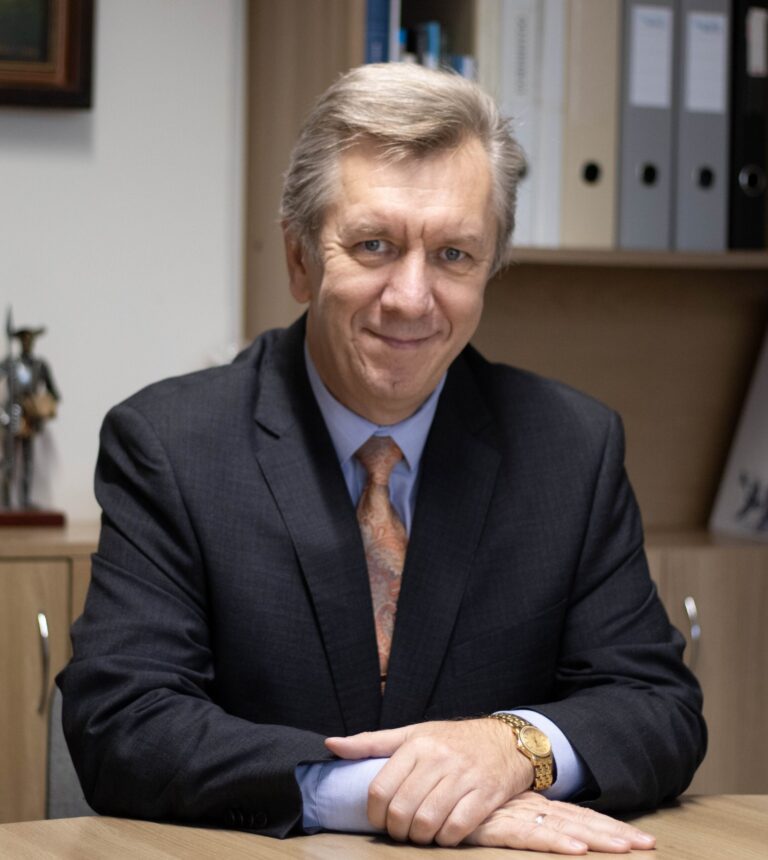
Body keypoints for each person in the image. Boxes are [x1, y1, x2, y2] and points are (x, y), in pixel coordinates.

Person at [59, 63, 705, 854]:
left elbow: (657, 706)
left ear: (491, 269)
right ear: (300, 260)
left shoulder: (570, 448)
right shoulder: (171, 446)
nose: (410, 296)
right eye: (374, 245)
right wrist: (382, 796)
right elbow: (123, 723)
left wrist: (511, 749)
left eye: (454, 255)